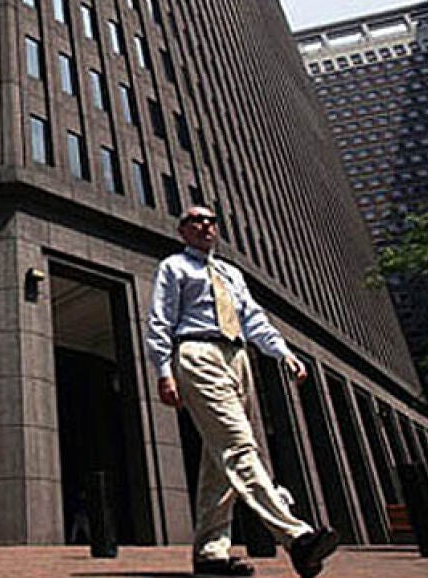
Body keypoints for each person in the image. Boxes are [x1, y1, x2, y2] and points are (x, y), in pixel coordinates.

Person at [146, 206, 339, 578]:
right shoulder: (174, 266)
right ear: (182, 231)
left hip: (238, 357)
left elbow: (253, 318)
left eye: (211, 220)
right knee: (238, 445)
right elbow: (160, 320)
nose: (205, 225)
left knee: (219, 461)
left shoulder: (230, 273)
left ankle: (210, 554)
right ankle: (296, 536)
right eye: (195, 220)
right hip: (197, 351)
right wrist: (164, 372)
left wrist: (283, 352)